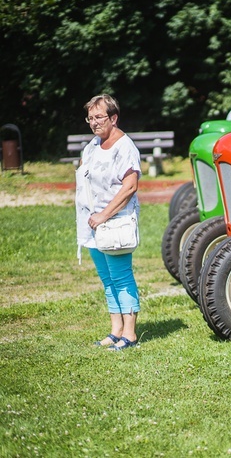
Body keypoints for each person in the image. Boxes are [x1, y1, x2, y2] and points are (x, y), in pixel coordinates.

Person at [75, 94, 141, 351]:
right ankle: (115, 331)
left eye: (99, 117)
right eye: (90, 118)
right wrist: (92, 218)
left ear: (114, 118)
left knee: (121, 276)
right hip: (91, 224)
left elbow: (130, 187)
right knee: (107, 279)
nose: (94, 123)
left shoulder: (125, 147)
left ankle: (130, 334)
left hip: (114, 223)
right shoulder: (92, 145)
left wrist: (104, 215)